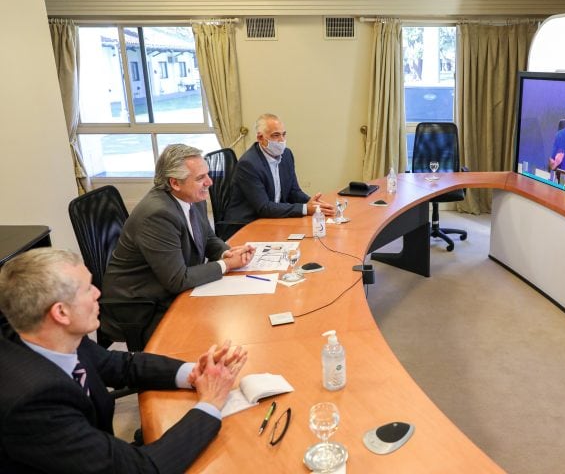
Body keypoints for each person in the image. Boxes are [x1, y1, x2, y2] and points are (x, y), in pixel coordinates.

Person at [0, 248, 248, 473]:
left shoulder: (41, 333)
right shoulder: (34, 404)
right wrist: (210, 403)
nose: (99, 293)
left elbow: (119, 365)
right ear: (61, 313)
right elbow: (142, 469)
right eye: (88, 288)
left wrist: (195, 372)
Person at [102, 144, 254, 339]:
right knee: (214, 333)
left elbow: (208, 238)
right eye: (200, 178)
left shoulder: (193, 197)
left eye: (207, 174)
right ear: (175, 183)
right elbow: (177, 280)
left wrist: (227, 253)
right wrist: (226, 265)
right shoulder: (158, 214)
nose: (210, 182)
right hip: (140, 305)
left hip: (168, 289)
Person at [224, 113, 335, 236]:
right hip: (246, 224)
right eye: (276, 135)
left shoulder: (286, 155)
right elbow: (264, 207)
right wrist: (305, 209)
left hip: (272, 218)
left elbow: (294, 191)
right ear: (260, 138)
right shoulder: (249, 164)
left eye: (283, 134)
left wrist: (313, 204)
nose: (282, 140)